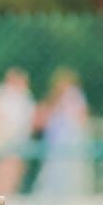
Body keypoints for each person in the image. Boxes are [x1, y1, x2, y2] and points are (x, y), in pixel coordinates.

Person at [33, 67, 91, 197]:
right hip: (55, 146)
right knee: (54, 176)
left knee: (67, 176)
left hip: (68, 144)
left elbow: (81, 119)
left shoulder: (73, 95)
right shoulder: (56, 99)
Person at [0, 67, 36, 196]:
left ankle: (6, 197)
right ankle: (0, 198)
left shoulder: (23, 97)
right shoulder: (5, 95)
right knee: (3, 172)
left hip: (16, 143)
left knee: (12, 173)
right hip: (6, 142)